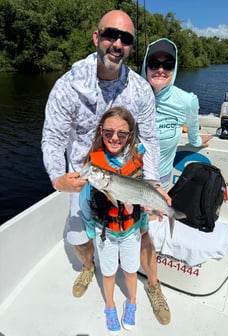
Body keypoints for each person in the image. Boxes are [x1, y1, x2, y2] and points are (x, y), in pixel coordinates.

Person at [41, 10, 170, 326]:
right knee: (79, 238)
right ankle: (89, 267)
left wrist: (151, 182)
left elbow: (149, 139)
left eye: (126, 39)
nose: (117, 43)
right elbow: (53, 138)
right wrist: (58, 178)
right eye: (111, 34)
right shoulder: (68, 86)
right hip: (85, 177)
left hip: (129, 176)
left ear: (129, 47)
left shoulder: (140, 89)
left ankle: (153, 285)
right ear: (97, 37)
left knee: (143, 234)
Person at [79, 106, 148, 334]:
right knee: (108, 272)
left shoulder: (137, 160)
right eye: (108, 133)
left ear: (130, 135)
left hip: (131, 230)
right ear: (101, 132)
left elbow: (141, 196)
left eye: (122, 133)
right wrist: (90, 230)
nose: (115, 138)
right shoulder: (94, 162)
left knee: (130, 270)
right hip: (104, 231)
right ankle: (110, 306)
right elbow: (84, 200)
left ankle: (132, 303)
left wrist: (144, 225)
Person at [141, 38, 212, 191]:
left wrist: (197, 141)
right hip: (128, 178)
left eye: (168, 65)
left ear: (174, 69)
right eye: (154, 63)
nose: (160, 70)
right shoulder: (130, 97)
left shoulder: (187, 101)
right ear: (145, 66)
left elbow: (193, 133)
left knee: (156, 215)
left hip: (160, 180)